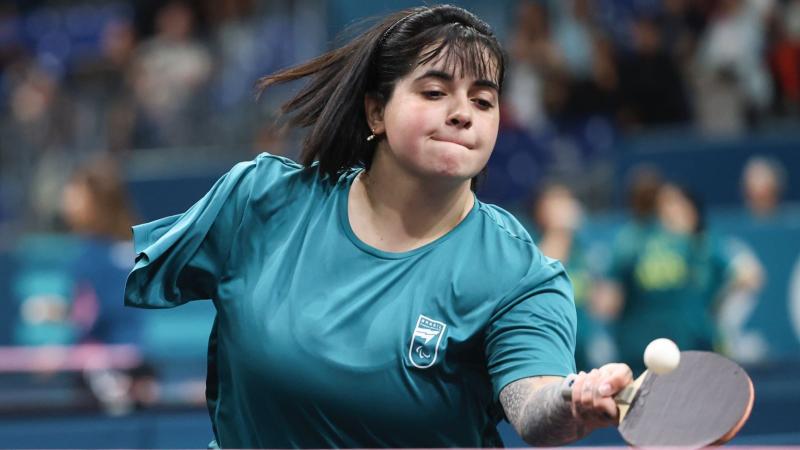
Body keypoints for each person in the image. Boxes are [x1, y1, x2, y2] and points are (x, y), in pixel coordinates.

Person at [124, 5, 631, 448]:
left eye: (483, 100)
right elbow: (132, 275)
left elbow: (534, 405)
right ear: (376, 112)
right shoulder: (260, 201)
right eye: (435, 92)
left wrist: (572, 401)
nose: (462, 114)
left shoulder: (519, 274)